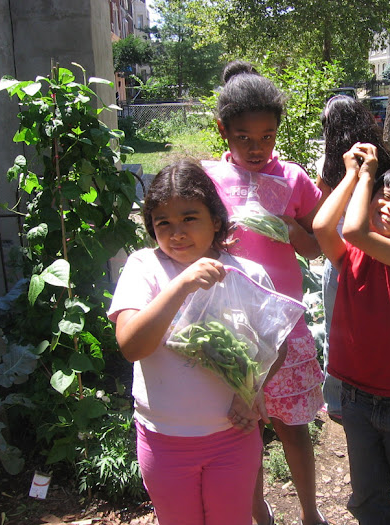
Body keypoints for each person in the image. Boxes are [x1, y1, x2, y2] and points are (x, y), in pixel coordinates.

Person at [108, 160, 270, 525]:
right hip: (163, 439)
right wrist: (181, 285)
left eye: (189, 218)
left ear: (215, 220)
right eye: (163, 222)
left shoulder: (247, 275)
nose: (176, 232)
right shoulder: (145, 268)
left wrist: (251, 392)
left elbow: (274, 346)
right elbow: (132, 346)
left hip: (232, 436)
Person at [203, 60, 327, 525]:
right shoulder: (209, 179)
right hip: (231, 323)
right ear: (223, 131)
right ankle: (258, 512)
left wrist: (291, 230)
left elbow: (317, 247)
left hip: (283, 324)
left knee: (293, 427)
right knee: (244, 427)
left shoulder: (293, 179)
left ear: (278, 130)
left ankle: (311, 512)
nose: (257, 148)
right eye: (243, 138)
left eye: (267, 136)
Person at [313, 142, 390, 525]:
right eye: (385, 197)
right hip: (356, 397)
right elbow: (321, 226)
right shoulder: (350, 257)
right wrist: (351, 174)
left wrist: (369, 175)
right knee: (368, 498)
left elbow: (351, 229)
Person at [316, 95, 390, 419]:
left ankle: (336, 401)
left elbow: (321, 213)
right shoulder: (383, 159)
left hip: (339, 257)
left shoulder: (330, 165)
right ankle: (378, 393)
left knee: (337, 331)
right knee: (379, 330)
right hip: (377, 254)